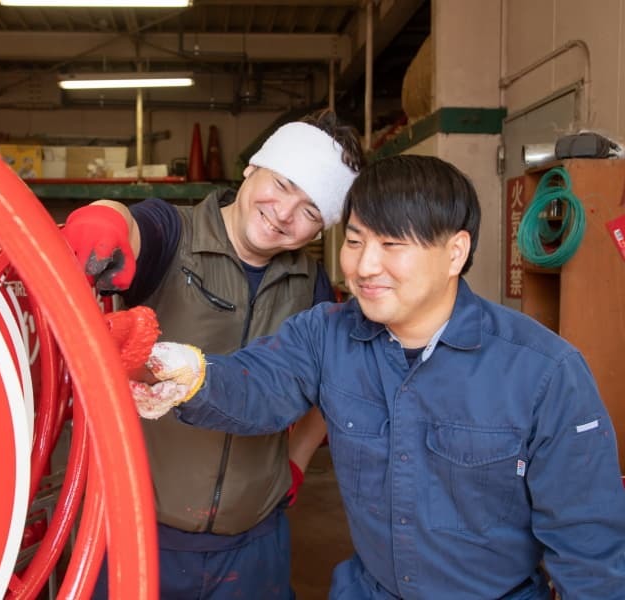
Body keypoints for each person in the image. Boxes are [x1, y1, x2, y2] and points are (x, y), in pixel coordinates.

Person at [131, 154, 625, 599]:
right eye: (353, 241)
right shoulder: (326, 334)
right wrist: (195, 374)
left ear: (455, 252)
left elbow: (589, 544)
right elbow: (260, 382)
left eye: (392, 244)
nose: (365, 266)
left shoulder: (545, 372)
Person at [61, 109, 363, 599]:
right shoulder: (172, 233)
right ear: (252, 168)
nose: (284, 213)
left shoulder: (311, 286)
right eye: (282, 184)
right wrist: (102, 221)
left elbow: (333, 383)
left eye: (310, 210)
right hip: (136, 531)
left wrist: (298, 459)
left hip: (254, 543)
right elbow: (129, 224)